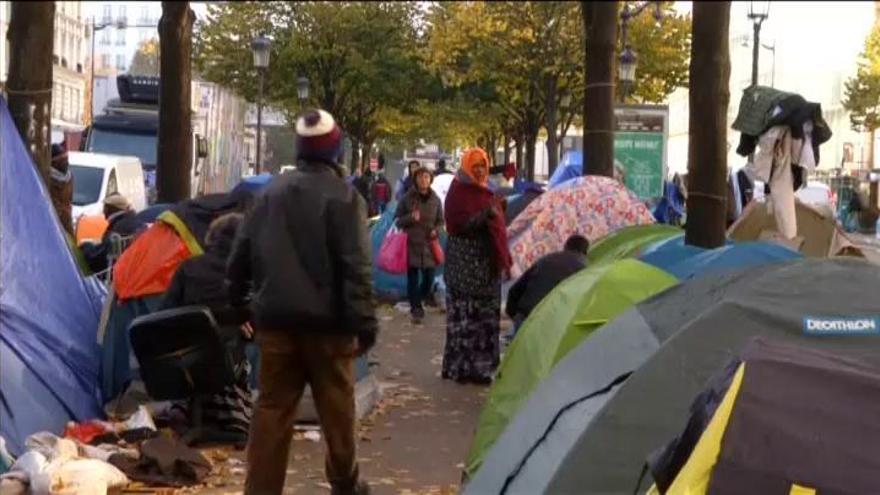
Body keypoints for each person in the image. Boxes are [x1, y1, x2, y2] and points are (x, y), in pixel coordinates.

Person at [228, 109, 377, 495]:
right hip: (330, 329)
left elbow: (238, 257)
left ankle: (260, 490)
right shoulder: (346, 199)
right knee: (337, 412)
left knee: (272, 412)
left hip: (276, 323)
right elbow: (355, 266)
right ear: (335, 150)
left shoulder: (268, 195)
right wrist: (365, 323)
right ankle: (345, 483)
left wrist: (241, 307)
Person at [160, 213, 253, 439]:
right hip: (224, 361)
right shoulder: (247, 272)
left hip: (181, 359)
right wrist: (234, 325)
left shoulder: (188, 268)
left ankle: (185, 411)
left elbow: (163, 313)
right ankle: (232, 414)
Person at [442, 148, 511, 385]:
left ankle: (483, 369)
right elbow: (457, 224)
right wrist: (486, 215)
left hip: (487, 269)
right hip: (464, 268)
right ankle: (462, 368)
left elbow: (494, 223)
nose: (480, 169)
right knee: (466, 319)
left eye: (483, 165)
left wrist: (499, 211)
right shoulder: (458, 191)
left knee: (485, 321)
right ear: (467, 167)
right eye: (476, 165)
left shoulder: (486, 191)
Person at [504, 235, 589, 339]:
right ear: (585, 252)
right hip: (554, 324)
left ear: (565, 247)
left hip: (527, 316)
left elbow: (515, 290)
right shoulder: (585, 270)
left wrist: (515, 315)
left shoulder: (546, 259)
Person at [395, 167, 444, 325]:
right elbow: (397, 220)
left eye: (426, 177)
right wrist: (410, 217)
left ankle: (420, 299)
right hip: (412, 244)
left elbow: (440, 221)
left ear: (430, 180)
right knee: (413, 278)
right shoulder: (407, 198)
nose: (424, 180)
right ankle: (416, 309)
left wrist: (436, 231)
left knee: (429, 278)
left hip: (429, 245)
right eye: (421, 177)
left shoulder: (436, 199)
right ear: (415, 179)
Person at [82, 193, 146, 274]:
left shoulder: (119, 228)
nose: (103, 212)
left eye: (105, 208)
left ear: (112, 209)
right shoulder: (136, 222)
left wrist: (86, 247)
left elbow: (100, 256)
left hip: (116, 270)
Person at [50, 143, 74, 236]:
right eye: (63, 160)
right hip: (53, 222)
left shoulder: (70, 177)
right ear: (55, 163)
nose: (66, 163)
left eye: (66, 159)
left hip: (67, 221)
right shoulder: (47, 179)